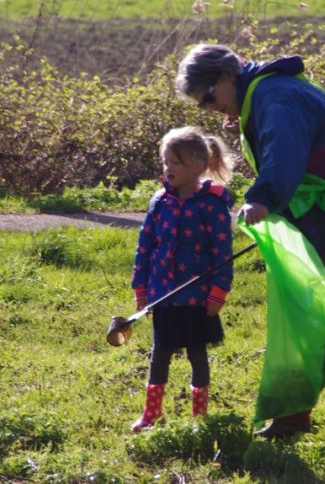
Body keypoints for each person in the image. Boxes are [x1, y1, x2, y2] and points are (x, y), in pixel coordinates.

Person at [175, 44, 325, 457]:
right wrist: (242, 116)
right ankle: (292, 419)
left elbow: (285, 154)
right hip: (323, 215)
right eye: (202, 105)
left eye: (209, 97)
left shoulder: (274, 97)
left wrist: (262, 198)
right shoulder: (261, 95)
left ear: (226, 76)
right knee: (306, 316)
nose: (209, 108)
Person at [130, 125, 236, 432]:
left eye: (175, 162)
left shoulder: (211, 205)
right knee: (160, 353)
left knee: (197, 354)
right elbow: (145, 246)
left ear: (198, 165)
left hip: (197, 297)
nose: (168, 168)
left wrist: (218, 292)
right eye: (165, 162)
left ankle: (199, 416)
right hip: (163, 294)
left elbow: (222, 253)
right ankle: (152, 413)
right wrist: (140, 287)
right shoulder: (159, 202)